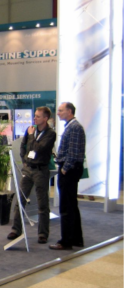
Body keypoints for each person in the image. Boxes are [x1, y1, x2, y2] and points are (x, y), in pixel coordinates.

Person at [8, 107, 56, 243]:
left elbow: (38, 148)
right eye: (34, 116)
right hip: (28, 169)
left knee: (43, 203)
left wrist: (31, 136)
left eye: (38, 117)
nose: (35, 119)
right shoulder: (30, 129)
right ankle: (16, 230)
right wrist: (24, 161)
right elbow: (23, 147)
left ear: (45, 119)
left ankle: (43, 233)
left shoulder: (50, 134)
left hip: (41, 170)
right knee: (20, 200)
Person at [51, 102, 86, 250]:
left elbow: (73, 152)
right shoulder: (72, 126)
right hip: (70, 170)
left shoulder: (75, 127)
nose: (58, 113)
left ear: (69, 111)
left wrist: (65, 169)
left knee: (66, 207)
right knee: (71, 206)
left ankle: (66, 241)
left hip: (69, 171)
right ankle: (76, 239)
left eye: (60, 111)